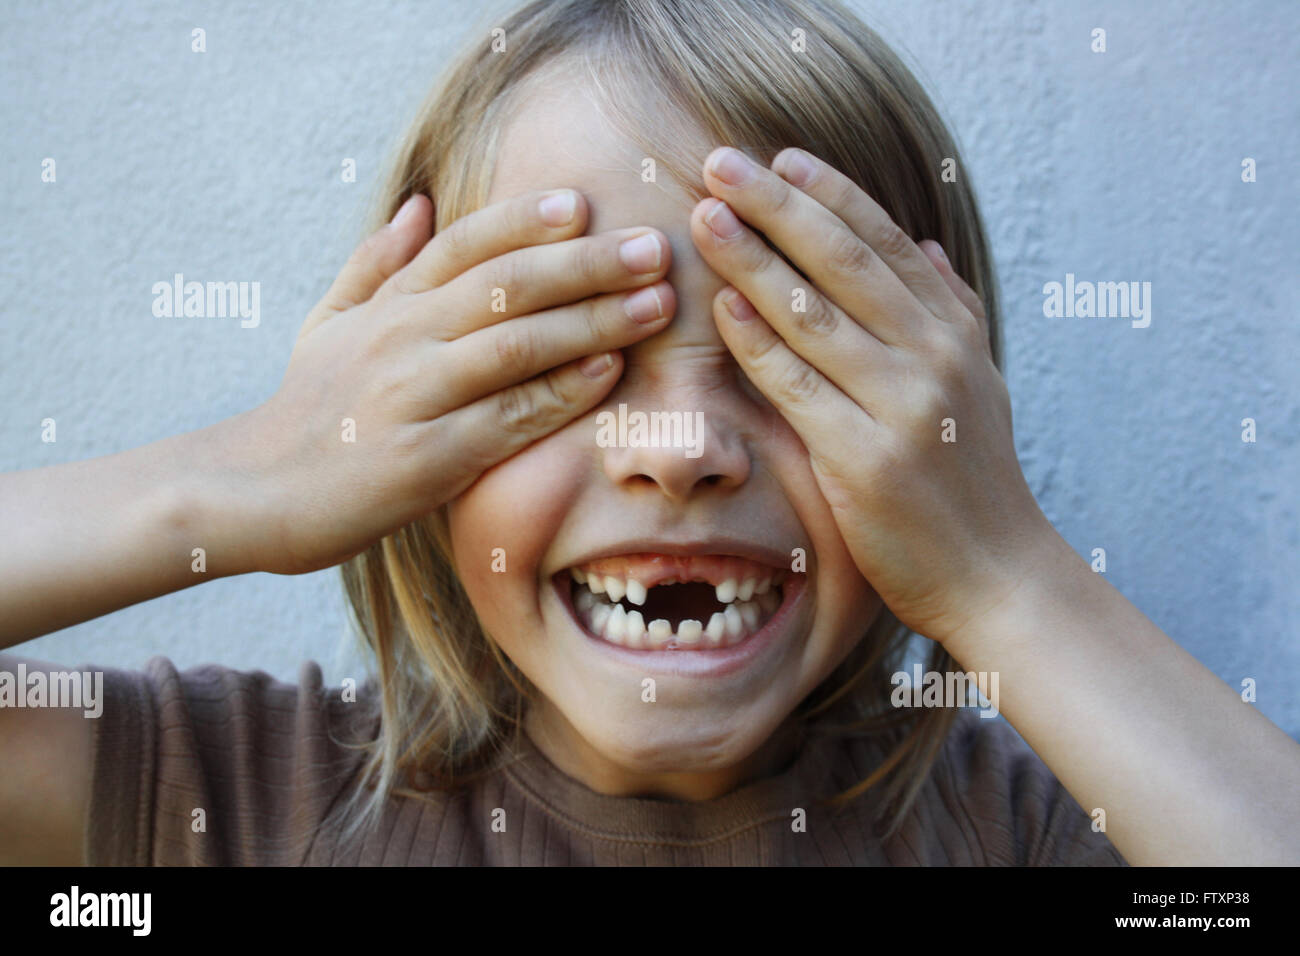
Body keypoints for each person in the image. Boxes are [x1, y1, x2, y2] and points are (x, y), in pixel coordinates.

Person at [2, 0, 1296, 866]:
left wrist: (1008, 579)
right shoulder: (229, 797)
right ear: (392, 442)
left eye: (791, 362)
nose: (677, 450)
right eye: (565, 362)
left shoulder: (1035, 832)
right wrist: (229, 484)